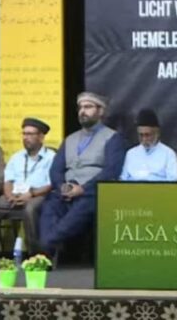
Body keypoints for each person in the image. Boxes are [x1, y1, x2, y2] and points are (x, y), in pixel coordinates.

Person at [39, 91, 127, 255]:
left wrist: (83, 189)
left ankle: (46, 246)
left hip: (93, 192)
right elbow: (56, 169)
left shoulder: (112, 138)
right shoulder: (70, 139)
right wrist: (62, 186)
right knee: (50, 205)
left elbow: (111, 171)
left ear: (100, 111)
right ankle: (47, 248)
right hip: (65, 191)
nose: (82, 111)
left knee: (81, 208)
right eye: (80, 107)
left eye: (88, 107)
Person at [0, 118, 56, 253]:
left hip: (40, 195)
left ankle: (35, 253)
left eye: (30, 134)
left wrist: (31, 193)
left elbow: (52, 183)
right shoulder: (16, 157)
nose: (26, 137)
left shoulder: (52, 157)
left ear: (41, 137)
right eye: (24, 134)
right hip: (15, 195)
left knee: (30, 209)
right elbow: (8, 180)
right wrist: (9, 195)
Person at [120, 108, 177, 181]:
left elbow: (174, 181)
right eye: (141, 135)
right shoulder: (130, 154)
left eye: (147, 135)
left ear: (157, 133)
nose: (144, 139)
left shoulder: (168, 154)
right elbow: (123, 179)